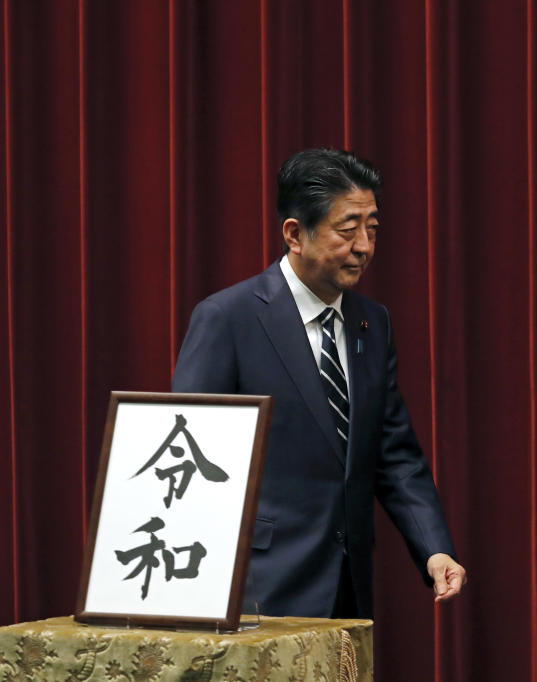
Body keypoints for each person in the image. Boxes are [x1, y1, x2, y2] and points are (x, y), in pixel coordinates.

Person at [172, 148, 466, 619]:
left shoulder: (373, 322)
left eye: (372, 229)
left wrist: (434, 549)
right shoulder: (229, 318)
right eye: (348, 230)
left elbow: (395, 454)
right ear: (294, 234)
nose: (365, 246)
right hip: (258, 591)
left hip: (348, 588)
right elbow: (187, 456)